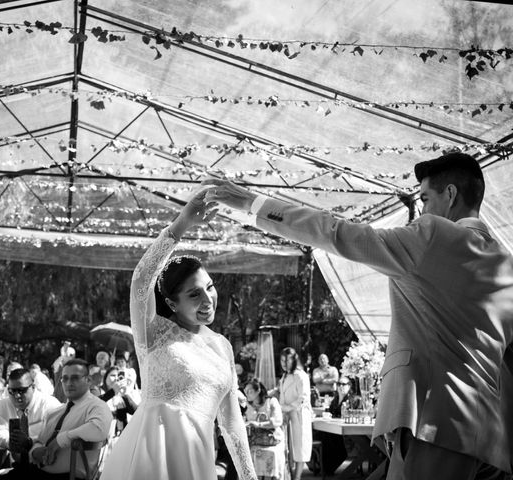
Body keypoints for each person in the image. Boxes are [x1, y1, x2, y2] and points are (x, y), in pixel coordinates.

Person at [204, 152, 513, 479]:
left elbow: (336, 233)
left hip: (435, 425)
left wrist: (252, 203)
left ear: (450, 195)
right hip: (493, 439)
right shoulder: (505, 263)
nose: (421, 210)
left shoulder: (432, 235)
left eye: (424, 199)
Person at [100, 189, 256, 480]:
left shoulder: (222, 346)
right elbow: (141, 278)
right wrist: (181, 225)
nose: (208, 300)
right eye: (194, 294)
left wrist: (249, 477)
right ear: (172, 303)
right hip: (151, 458)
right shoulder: (154, 331)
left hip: (197, 461)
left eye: (210, 287)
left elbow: (232, 424)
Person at [3, 359, 111, 480]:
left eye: (75, 378)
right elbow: (40, 441)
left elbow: (98, 429)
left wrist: (60, 440)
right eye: (65, 378)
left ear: (88, 380)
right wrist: (36, 451)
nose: (69, 383)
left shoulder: (97, 406)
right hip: (36, 472)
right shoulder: (56, 412)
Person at [0, 368, 61, 466]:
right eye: (12, 391)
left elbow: (55, 438)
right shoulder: (4, 404)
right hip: (16, 464)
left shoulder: (50, 405)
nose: (17, 396)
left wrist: (28, 442)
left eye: (22, 390)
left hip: (44, 465)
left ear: (33, 387)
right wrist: (12, 442)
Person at [269, 347, 312, 480]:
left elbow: (303, 398)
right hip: (286, 416)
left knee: (300, 448)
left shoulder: (301, 375)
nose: (284, 363)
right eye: (282, 360)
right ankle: (289, 475)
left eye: (287, 360)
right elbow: (283, 396)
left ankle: (297, 477)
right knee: (289, 448)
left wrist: (288, 408)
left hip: (299, 415)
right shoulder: (284, 376)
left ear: (294, 360)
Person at [244, 379, 285, 480]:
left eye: (250, 391)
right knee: (243, 454)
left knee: (270, 453)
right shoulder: (247, 405)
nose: (247, 394)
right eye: (245, 392)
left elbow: (277, 421)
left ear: (258, 391)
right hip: (254, 440)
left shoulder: (271, 402)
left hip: (272, 440)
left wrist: (258, 424)